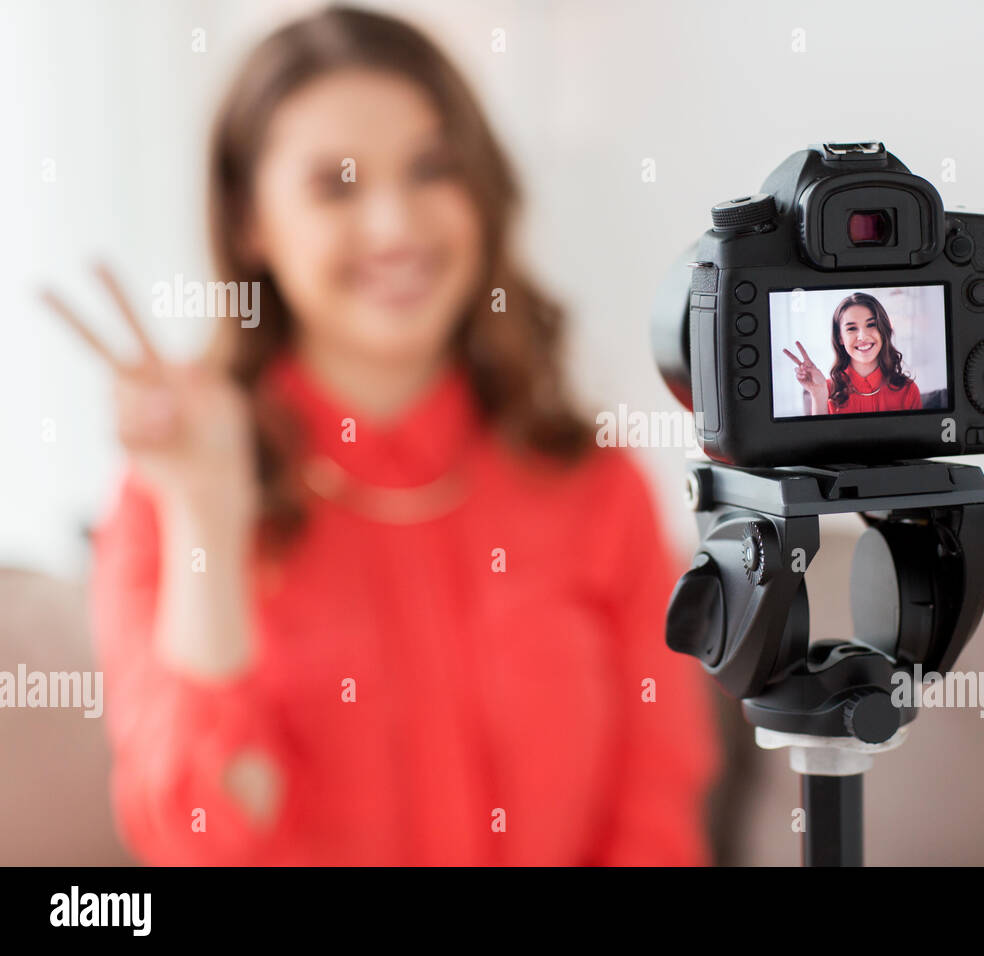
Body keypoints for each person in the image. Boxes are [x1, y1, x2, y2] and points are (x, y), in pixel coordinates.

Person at [40, 6, 717, 866]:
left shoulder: (595, 483)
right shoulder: (166, 502)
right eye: (338, 185)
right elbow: (199, 837)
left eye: (433, 168)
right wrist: (207, 519)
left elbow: (656, 813)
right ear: (252, 223)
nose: (397, 227)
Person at [783, 292, 922, 415]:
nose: (862, 336)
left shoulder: (908, 390)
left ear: (883, 330)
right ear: (840, 338)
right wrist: (819, 395)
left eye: (871, 324)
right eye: (852, 328)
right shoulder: (825, 390)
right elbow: (820, 443)